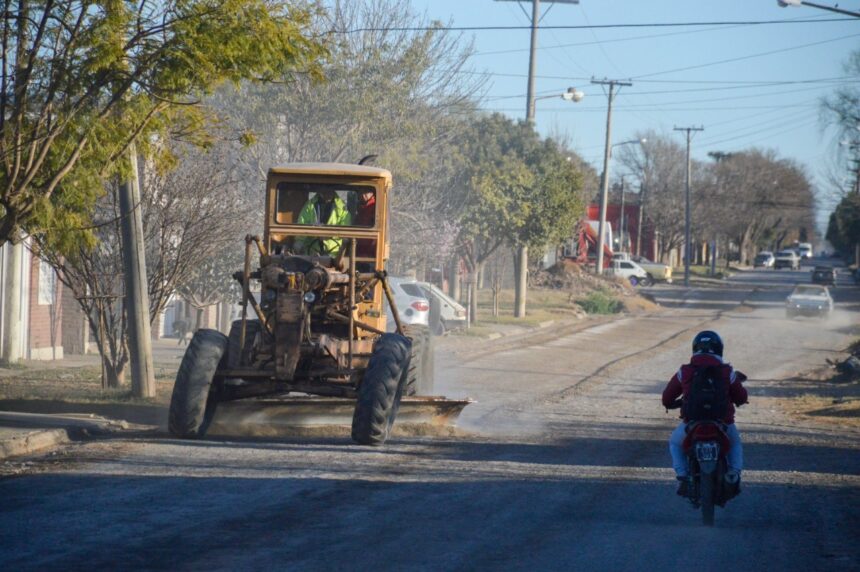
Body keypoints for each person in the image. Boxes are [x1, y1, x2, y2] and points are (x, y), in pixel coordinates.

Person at [661, 330, 748, 496]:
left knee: (674, 443)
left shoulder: (685, 371)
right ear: (719, 349)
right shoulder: (727, 371)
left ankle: (682, 476)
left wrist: (672, 403)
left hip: (692, 422)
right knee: (735, 443)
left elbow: (667, 396)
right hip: (723, 422)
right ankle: (734, 474)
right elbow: (741, 396)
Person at [295, 189, 351, 255]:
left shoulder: (343, 208)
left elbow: (345, 231)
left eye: (330, 188)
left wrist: (330, 235)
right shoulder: (310, 206)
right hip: (311, 253)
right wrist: (298, 244)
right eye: (324, 189)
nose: (327, 193)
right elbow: (301, 227)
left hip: (334, 254)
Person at [353, 189, 377, 258]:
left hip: (369, 249)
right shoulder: (361, 207)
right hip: (359, 245)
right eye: (361, 192)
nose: (363, 195)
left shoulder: (374, 206)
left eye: (366, 192)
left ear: (372, 193)